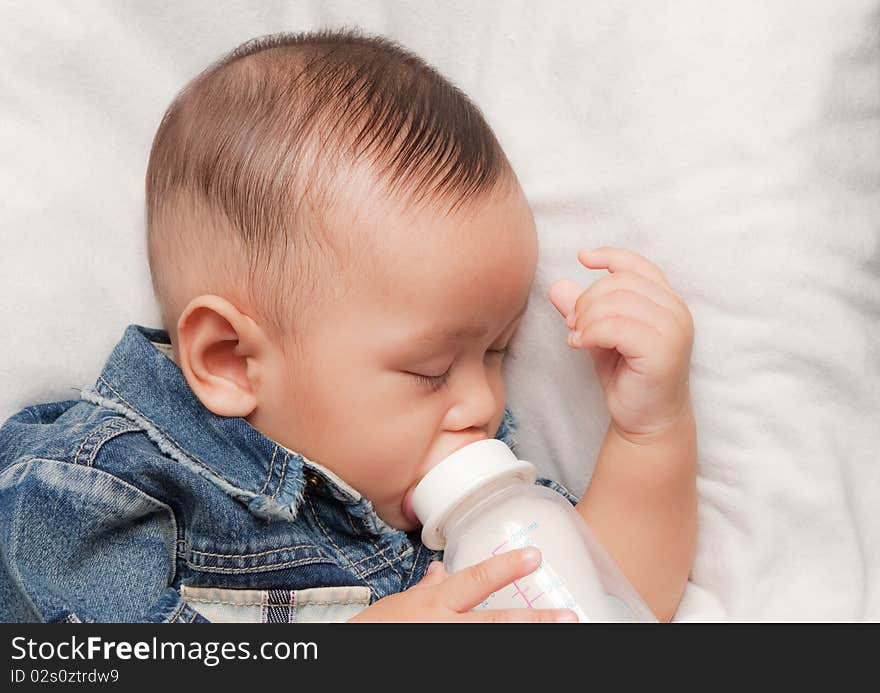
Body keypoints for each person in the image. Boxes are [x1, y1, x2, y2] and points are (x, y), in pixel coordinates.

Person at [0, 29, 696, 623]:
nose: (484, 404)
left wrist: (649, 430)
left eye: (496, 352)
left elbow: (608, 596)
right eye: (429, 370)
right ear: (232, 360)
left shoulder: (468, 500)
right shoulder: (107, 487)